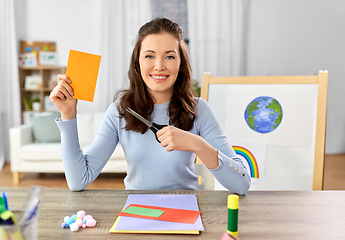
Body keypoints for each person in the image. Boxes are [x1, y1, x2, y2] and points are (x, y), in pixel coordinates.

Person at [50, 18, 251, 194]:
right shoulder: (119, 111)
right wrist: (68, 114)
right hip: (136, 211)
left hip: (186, 210)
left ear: (180, 63)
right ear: (137, 63)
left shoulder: (199, 110)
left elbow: (241, 184)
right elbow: (78, 181)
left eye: (170, 56)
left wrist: (196, 143)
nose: (159, 65)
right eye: (149, 56)